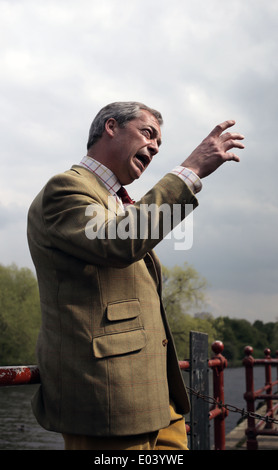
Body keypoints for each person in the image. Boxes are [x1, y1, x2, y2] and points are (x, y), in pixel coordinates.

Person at [27, 101, 244, 450]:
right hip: (109, 404)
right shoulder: (65, 189)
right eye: (148, 134)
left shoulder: (114, 200)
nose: (155, 147)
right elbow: (120, 243)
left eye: (160, 143)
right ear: (111, 126)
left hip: (159, 401)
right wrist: (189, 172)